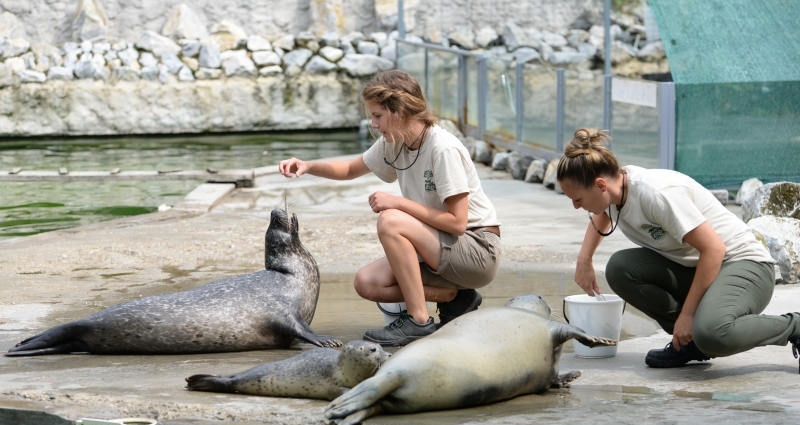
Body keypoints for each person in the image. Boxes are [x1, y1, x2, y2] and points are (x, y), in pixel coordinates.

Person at [278, 70, 501, 347]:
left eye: (378, 116)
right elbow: (349, 169)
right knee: (367, 282)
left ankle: (419, 322)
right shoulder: (395, 143)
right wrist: (308, 166)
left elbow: (457, 223)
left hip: (477, 250)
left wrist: (398, 203)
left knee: (391, 219)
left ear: (400, 111)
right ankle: (456, 298)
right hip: (440, 248)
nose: (373, 124)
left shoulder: (442, 148)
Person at [556, 128, 799, 369]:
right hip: (699, 268)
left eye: (577, 199)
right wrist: (584, 259)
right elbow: (604, 213)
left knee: (714, 333)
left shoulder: (656, 194)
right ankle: (690, 342)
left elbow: (714, 249)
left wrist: (688, 315)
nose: (577, 206)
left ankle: (793, 326)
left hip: (745, 266)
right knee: (621, 268)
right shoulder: (615, 189)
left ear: (600, 185)